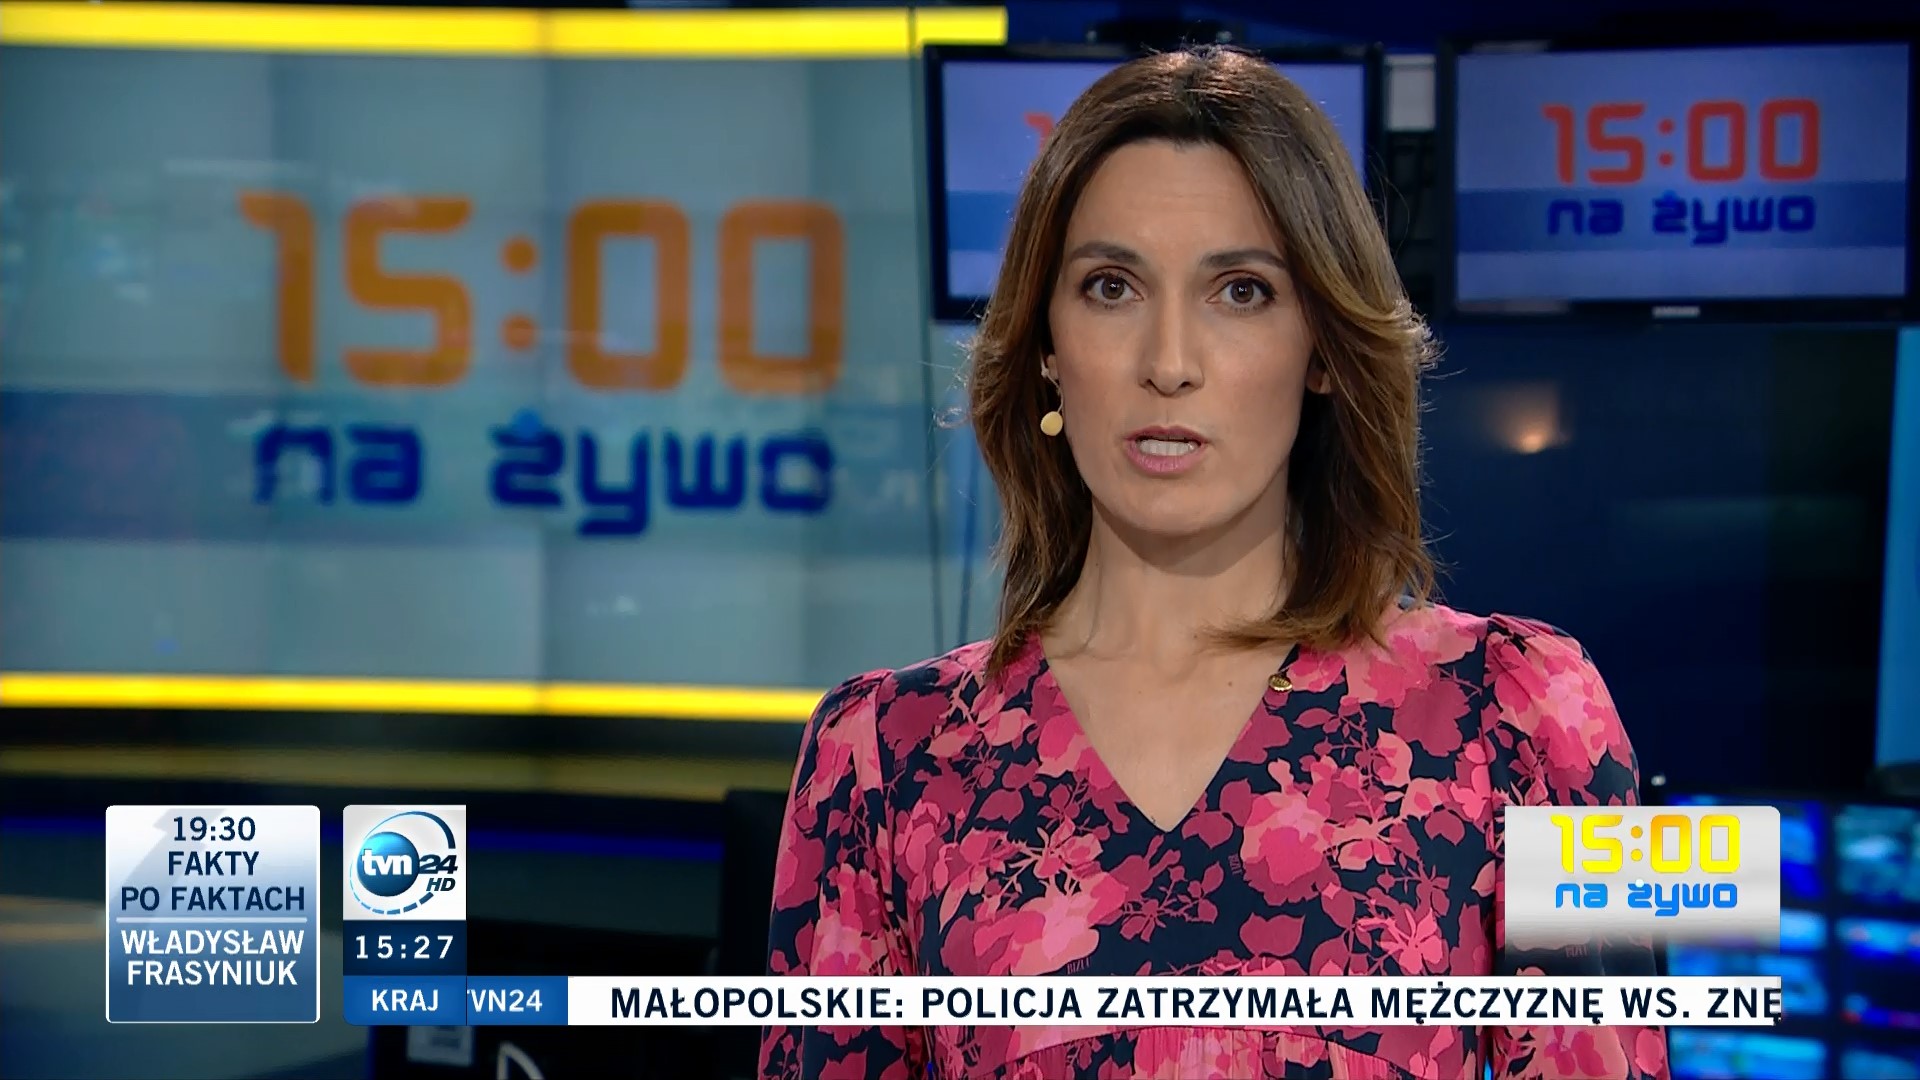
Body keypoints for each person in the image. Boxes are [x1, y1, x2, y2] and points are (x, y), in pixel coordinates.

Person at [760, 45, 1668, 1080]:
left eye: (1240, 291)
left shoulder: (1535, 717)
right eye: (1111, 287)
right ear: (1048, 345)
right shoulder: (880, 760)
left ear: (1321, 347)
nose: (1169, 362)